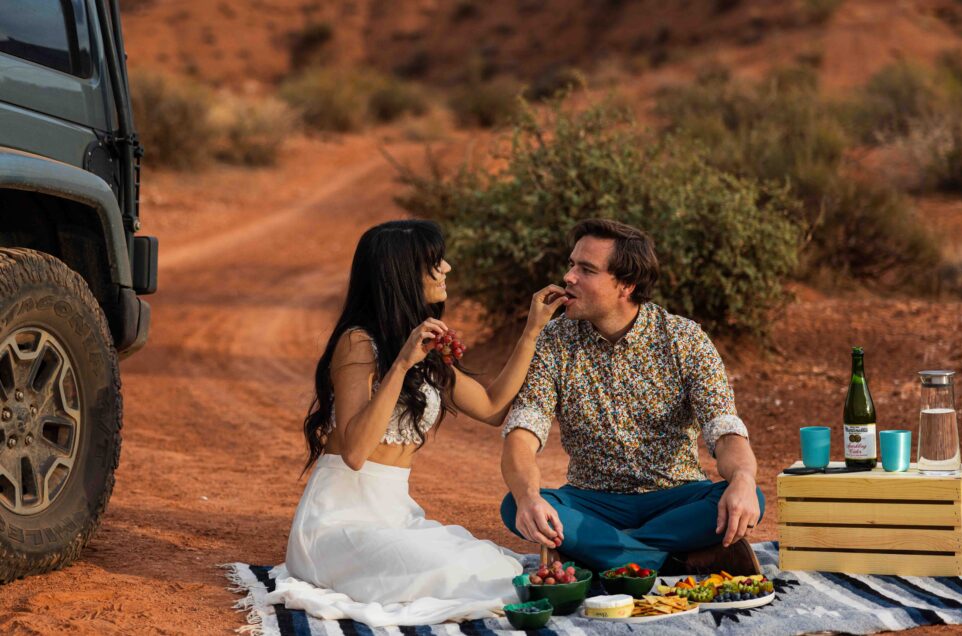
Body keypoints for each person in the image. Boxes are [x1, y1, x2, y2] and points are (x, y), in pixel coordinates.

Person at [265, 220, 566, 627]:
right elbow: (354, 453)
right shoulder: (358, 342)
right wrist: (403, 363)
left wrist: (532, 329)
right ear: (402, 273)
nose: (447, 268)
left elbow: (494, 406)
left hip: (395, 513)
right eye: (434, 262)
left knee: (493, 566)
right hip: (339, 522)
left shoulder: (423, 343)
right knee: (469, 575)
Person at [499, 218, 766, 576]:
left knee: (750, 498)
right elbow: (522, 434)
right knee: (516, 503)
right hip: (592, 500)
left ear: (627, 284)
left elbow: (725, 431)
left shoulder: (684, 339)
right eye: (571, 264)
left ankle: (602, 552)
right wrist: (529, 498)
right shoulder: (553, 340)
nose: (569, 277)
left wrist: (744, 480)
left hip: (677, 498)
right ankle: (673, 559)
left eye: (586, 269)